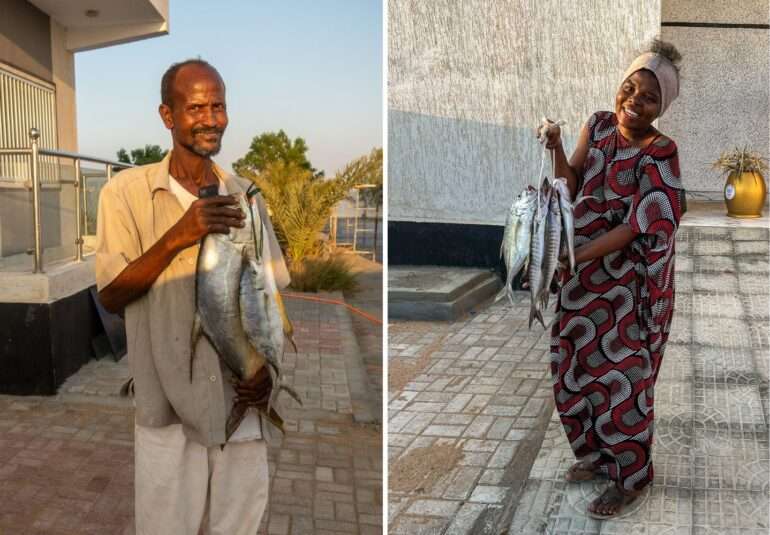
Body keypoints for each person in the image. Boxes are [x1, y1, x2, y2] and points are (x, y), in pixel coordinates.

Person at [95, 59, 289, 534]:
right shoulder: (125, 193)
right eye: (196, 107)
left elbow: (269, 298)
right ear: (168, 116)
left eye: (218, 105)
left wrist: (269, 371)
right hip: (168, 402)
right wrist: (178, 235)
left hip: (239, 400)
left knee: (239, 526)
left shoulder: (246, 196)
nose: (210, 118)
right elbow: (112, 294)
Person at [538, 40, 685, 519]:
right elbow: (571, 183)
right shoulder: (599, 124)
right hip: (582, 281)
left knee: (622, 378)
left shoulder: (662, 152)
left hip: (629, 288)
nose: (633, 102)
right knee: (574, 367)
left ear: (662, 107)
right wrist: (558, 146)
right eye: (630, 88)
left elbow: (637, 225)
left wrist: (576, 255)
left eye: (649, 98)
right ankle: (600, 457)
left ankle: (632, 477)